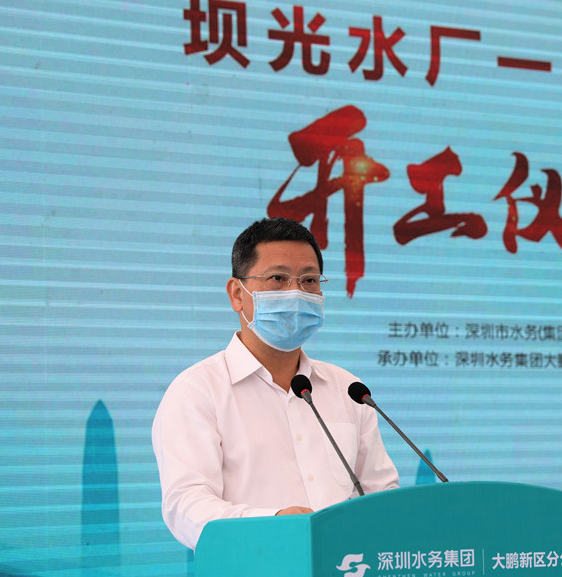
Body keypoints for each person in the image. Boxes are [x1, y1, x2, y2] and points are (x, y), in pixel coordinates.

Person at [152, 217, 399, 553]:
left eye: (309, 280)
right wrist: (276, 523)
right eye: (278, 279)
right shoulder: (198, 390)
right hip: (251, 575)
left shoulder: (349, 389)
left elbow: (382, 496)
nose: (296, 292)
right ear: (237, 295)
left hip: (347, 575)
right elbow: (187, 507)